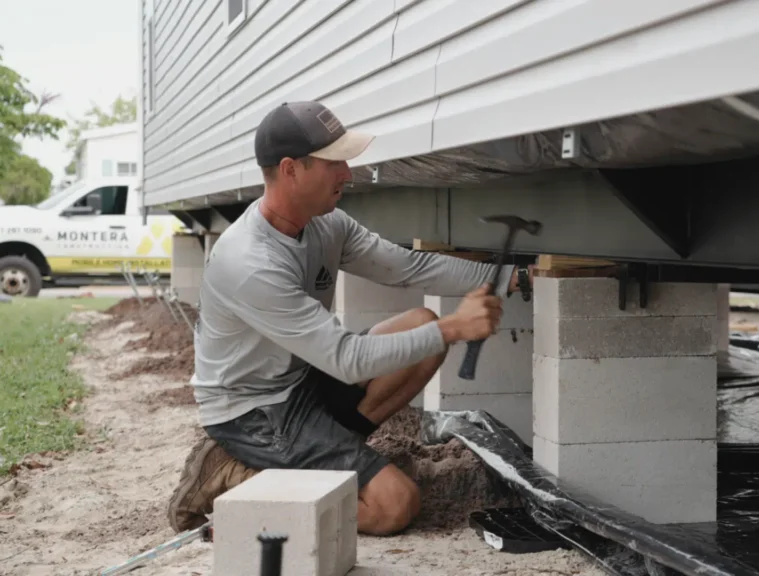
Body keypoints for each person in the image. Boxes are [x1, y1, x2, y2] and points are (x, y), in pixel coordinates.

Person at [165, 101, 532, 536]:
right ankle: (236, 477)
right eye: (334, 162)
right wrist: (455, 327)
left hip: (301, 380)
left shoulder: (326, 224)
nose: (348, 173)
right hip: (254, 412)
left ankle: (327, 459)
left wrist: (509, 277)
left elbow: (406, 268)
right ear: (290, 170)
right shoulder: (249, 262)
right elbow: (346, 359)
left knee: (418, 323)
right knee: (396, 505)